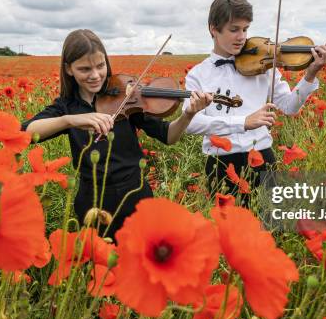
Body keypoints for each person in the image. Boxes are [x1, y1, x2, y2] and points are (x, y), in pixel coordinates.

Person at [22, 29, 212, 240]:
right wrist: (69, 120)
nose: (95, 75)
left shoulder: (126, 94)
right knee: (99, 264)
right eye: (85, 69)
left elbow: (168, 136)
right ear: (69, 69)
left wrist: (188, 114)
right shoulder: (66, 107)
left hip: (135, 193)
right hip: (93, 199)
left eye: (100, 66)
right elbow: (26, 132)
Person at [183, 0, 326, 203]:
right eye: (234, 29)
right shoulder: (198, 75)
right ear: (213, 29)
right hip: (221, 165)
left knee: (267, 232)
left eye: (245, 29)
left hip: (263, 158)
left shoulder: (263, 66)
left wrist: (310, 74)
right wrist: (243, 122)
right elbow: (191, 123)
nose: (242, 37)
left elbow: (290, 107)